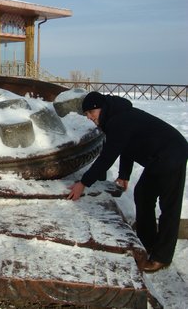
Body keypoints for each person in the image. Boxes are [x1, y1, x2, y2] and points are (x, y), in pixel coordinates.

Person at [68, 91, 188, 273]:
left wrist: (83, 183)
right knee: (142, 195)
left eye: (91, 113)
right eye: (86, 115)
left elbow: (107, 157)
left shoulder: (119, 120)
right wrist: (124, 174)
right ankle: (147, 241)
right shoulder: (116, 118)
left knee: (169, 206)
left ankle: (161, 257)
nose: (89, 118)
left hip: (172, 153)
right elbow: (127, 145)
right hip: (156, 158)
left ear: (100, 108)